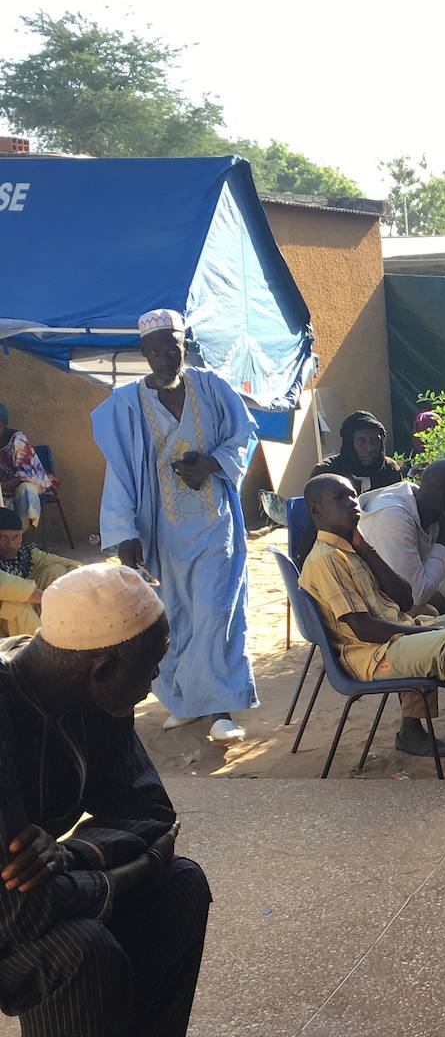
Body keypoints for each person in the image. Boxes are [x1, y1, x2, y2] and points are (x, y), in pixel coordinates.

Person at [0, 565, 210, 1037]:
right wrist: (111, 877)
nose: (153, 686)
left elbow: (152, 816)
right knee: (80, 949)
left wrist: (71, 857)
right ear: (101, 667)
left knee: (179, 888)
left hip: (25, 898)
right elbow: (22, 910)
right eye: (148, 669)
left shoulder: (92, 702)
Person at [299, 473, 445, 782]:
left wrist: (365, 548)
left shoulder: (354, 549)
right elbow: (362, 628)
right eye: (340, 498)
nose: (352, 503)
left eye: (353, 495)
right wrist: (426, 633)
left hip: (403, 629)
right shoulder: (326, 559)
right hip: (374, 656)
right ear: (317, 511)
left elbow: (404, 597)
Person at [92, 308, 257, 744]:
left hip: (212, 525)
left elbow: (244, 436)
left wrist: (212, 463)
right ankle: (186, 702)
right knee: (173, 617)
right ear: (143, 354)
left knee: (213, 610)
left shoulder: (214, 389)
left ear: (185, 346)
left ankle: (218, 706)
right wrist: (123, 532)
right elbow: (120, 471)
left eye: (172, 347)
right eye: (154, 351)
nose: (164, 357)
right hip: (159, 530)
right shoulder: (128, 405)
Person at [358, 461, 445, 616]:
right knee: (429, 612)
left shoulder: (430, 507)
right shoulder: (392, 516)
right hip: (380, 609)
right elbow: (415, 597)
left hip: (407, 598)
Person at [0, 506, 79, 636]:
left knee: (57, 570)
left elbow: (70, 564)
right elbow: (6, 584)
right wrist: (46, 598)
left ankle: (62, 635)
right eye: (2, 538)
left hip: (33, 613)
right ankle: (37, 647)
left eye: (16, 537)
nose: (11, 545)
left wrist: (78, 577)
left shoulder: (27, 554)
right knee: (14, 605)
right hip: (7, 624)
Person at [310, 410, 405, 494]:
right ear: (349, 444)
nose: (369, 448)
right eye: (361, 441)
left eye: (374, 440)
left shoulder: (389, 469)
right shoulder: (325, 473)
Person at [0, 400, 59, 531]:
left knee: (27, 490)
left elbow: (26, 476)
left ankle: (20, 534)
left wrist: (1, 486)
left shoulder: (17, 439)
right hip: (3, 490)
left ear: (3, 424)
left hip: (27, 483)